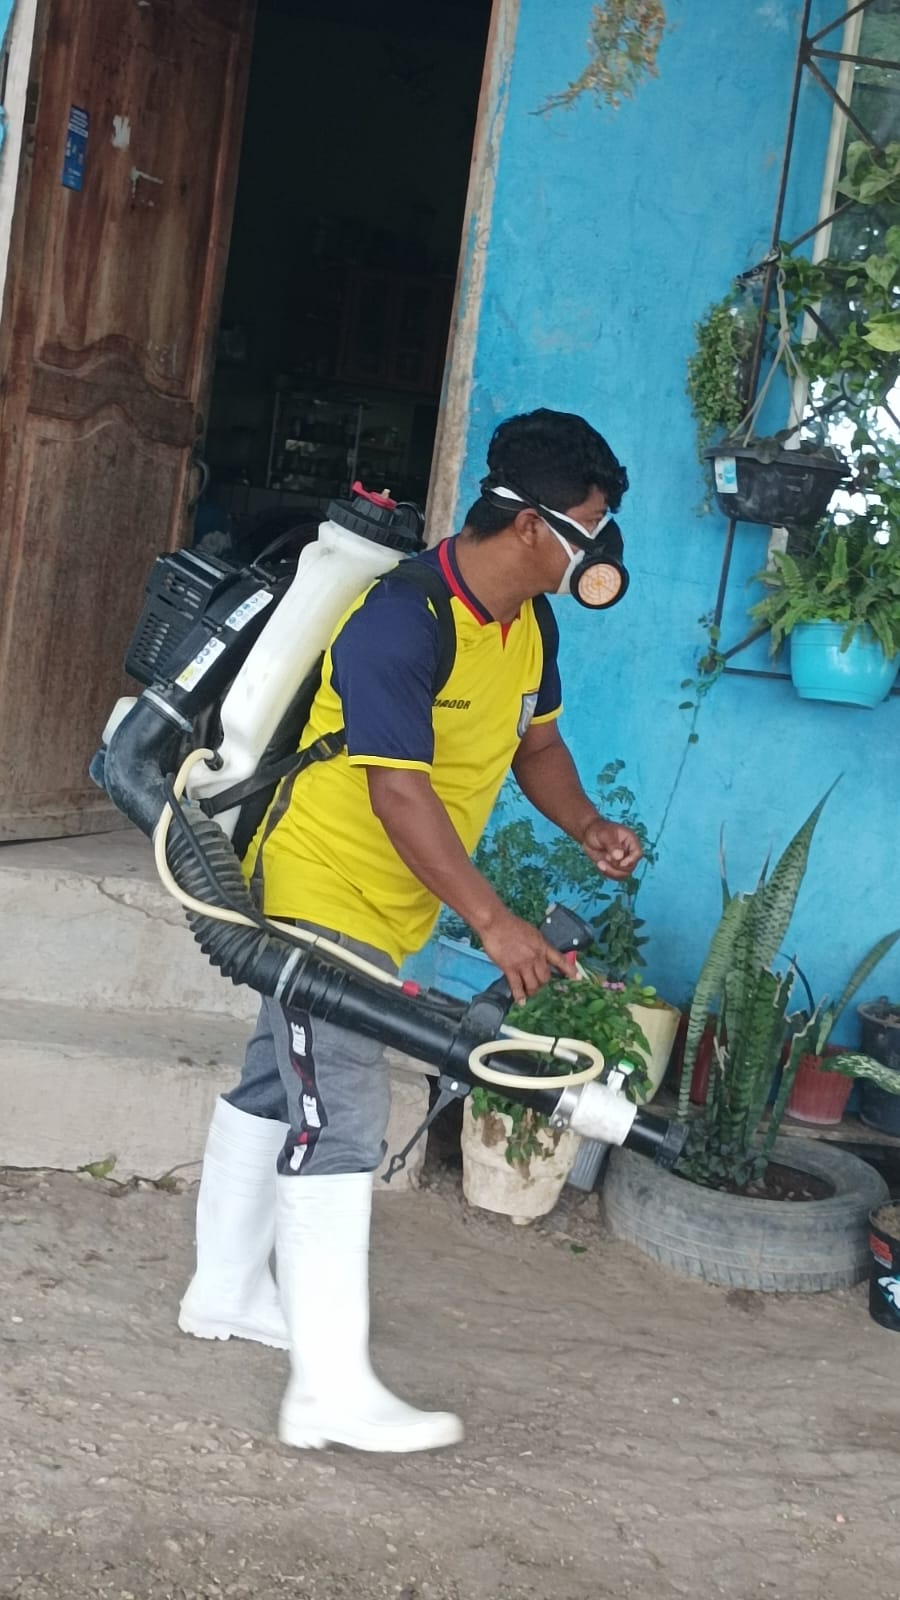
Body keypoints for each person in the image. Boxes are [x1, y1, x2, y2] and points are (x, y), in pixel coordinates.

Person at [177, 408, 643, 1455]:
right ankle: (328, 1389)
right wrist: (496, 924)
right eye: (590, 526)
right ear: (530, 525)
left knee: (277, 1077)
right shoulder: (403, 616)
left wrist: (587, 824)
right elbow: (398, 793)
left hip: (393, 902)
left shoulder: (531, 625)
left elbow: (536, 748)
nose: (602, 550)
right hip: (322, 888)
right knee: (339, 1112)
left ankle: (224, 1289)